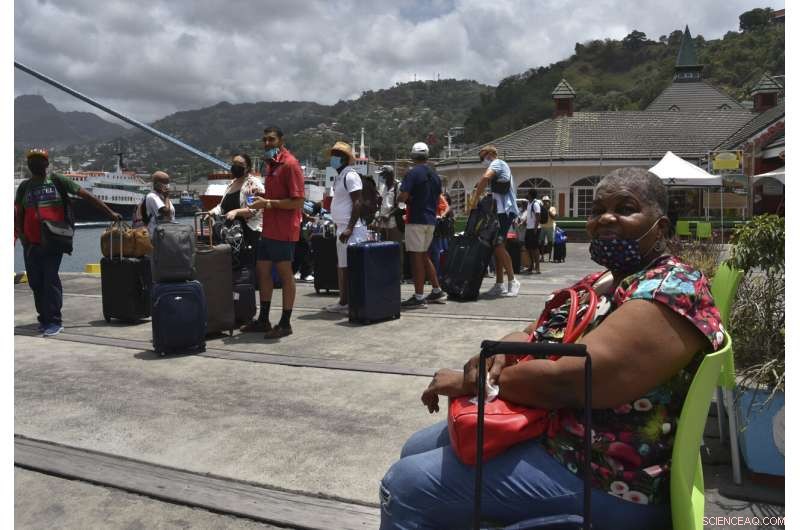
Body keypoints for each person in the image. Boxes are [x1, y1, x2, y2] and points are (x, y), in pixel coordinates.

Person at [379, 167, 723, 530]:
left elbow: (570, 380)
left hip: (606, 476)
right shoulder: (606, 280)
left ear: (661, 227)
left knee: (405, 485)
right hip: (557, 434)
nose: (605, 218)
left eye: (625, 208)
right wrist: (497, 353)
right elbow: (536, 332)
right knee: (417, 447)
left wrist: (475, 384)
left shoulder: (672, 289)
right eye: (597, 210)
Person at [14, 148, 122, 337]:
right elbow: (19, 212)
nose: (35, 164)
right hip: (31, 244)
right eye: (32, 161)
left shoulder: (57, 180)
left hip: (52, 241)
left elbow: (87, 196)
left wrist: (110, 213)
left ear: (46, 164)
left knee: (50, 279)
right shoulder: (25, 186)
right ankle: (43, 318)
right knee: (36, 282)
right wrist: (22, 237)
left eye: (39, 160)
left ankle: (54, 321)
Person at [240, 126, 304, 339]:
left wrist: (267, 203)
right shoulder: (271, 165)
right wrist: (262, 199)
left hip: (284, 230)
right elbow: (276, 197)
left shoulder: (290, 165)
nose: (267, 143)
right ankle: (264, 320)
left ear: (281, 141)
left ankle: (285, 323)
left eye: (271, 139)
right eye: (265, 139)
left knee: (285, 274)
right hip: (268, 228)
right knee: (263, 271)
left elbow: (298, 201)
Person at [397, 142, 446, 308]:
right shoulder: (435, 175)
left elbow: (403, 196)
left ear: (412, 156)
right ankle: (437, 290)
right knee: (424, 256)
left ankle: (418, 297)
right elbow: (437, 197)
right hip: (431, 220)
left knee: (416, 258)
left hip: (416, 219)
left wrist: (400, 199)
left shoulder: (413, 173)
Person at [323, 141, 369, 314]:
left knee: (351, 267)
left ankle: (352, 302)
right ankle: (344, 302)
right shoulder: (340, 176)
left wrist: (350, 227)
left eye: (336, 155)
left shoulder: (351, 175)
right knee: (343, 266)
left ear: (343, 159)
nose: (332, 158)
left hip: (352, 229)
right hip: (342, 227)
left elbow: (357, 202)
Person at [474, 145, 521, 297]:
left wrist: (474, 199)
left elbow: (485, 178)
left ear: (490, 154)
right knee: (497, 247)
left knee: (498, 245)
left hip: (504, 212)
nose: (482, 160)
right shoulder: (500, 166)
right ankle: (500, 284)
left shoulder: (497, 163)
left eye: (483, 157)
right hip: (501, 212)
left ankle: (513, 280)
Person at [207, 154, 264, 266]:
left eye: (240, 164)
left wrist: (236, 211)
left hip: (249, 233)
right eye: (234, 164)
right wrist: (212, 212)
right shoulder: (231, 183)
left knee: (247, 266)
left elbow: (255, 209)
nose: (236, 167)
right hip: (231, 234)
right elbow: (222, 206)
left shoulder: (253, 184)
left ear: (248, 167)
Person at [140, 171, 175, 237]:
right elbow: (166, 212)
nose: (167, 186)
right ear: (157, 184)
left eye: (168, 183)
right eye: (165, 183)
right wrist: (167, 197)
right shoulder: (152, 196)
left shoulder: (162, 196)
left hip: (167, 234)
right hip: (157, 236)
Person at [428, 192, 452, 280]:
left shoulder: (437, 195)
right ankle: (431, 276)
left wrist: (440, 216)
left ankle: (436, 276)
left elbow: (446, 207)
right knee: (428, 253)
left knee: (435, 253)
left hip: (435, 228)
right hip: (424, 226)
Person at [523, 189, 541, 274]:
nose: (527, 194)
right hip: (528, 228)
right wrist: (524, 222)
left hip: (534, 229)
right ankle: (531, 266)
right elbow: (529, 216)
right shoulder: (529, 204)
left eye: (528, 193)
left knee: (535, 248)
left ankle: (537, 267)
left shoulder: (535, 204)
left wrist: (535, 228)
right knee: (528, 247)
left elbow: (538, 217)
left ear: (530, 195)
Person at [539, 195, 557, 261]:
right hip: (542, 226)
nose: (545, 202)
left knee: (550, 242)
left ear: (549, 202)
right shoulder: (540, 208)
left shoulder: (552, 208)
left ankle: (550, 256)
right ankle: (542, 256)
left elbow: (554, 217)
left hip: (550, 227)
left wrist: (548, 211)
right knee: (542, 242)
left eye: (547, 201)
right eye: (544, 201)